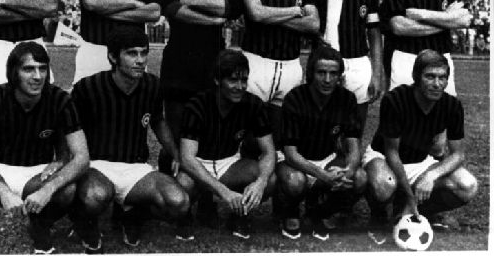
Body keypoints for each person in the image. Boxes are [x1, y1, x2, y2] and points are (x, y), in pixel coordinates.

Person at [0, 42, 89, 255]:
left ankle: (40, 226)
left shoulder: (60, 100)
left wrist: (47, 190)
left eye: (42, 68)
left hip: (38, 172)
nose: (38, 76)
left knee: (67, 190)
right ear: (13, 72)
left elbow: (82, 157)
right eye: (29, 69)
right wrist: (3, 192)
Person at [69, 26, 189, 249]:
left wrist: (175, 154)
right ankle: (84, 221)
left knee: (178, 202)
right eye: (132, 53)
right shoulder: (88, 88)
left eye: (144, 53)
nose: (140, 60)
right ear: (113, 57)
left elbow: (157, 121)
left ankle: (131, 213)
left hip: (135, 167)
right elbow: (69, 129)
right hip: (97, 165)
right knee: (95, 196)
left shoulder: (152, 85)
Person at [156, 0, 243, 170]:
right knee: (177, 140)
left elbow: (232, 7)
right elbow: (172, 8)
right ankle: (169, 188)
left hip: (213, 64)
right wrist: (213, 20)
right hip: (179, 65)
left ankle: (203, 192)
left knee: (207, 138)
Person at [363, 50, 478, 244]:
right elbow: (392, 152)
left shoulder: (451, 105)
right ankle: (379, 216)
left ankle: (415, 211)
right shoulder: (395, 99)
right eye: (430, 77)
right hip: (384, 158)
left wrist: (431, 176)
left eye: (442, 78)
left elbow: (458, 155)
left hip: (420, 161)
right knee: (384, 185)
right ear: (416, 77)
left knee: (467, 186)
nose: (437, 84)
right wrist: (410, 195)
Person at [237, 0, 319, 153]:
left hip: (290, 65)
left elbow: (313, 24)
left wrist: (271, 16)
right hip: (257, 62)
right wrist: (295, 11)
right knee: (252, 137)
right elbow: (256, 14)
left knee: (281, 136)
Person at [176, 49, 276, 240]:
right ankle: (186, 214)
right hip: (199, 163)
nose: (240, 86)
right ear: (217, 80)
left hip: (229, 163)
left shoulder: (253, 104)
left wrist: (261, 182)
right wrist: (225, 193)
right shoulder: (198, 105)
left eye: (244, 80)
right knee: (183, 184)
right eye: (233, 80)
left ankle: (239, 214)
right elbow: (188, 158)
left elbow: (269, 151)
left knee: (270, 179)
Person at [276, 45, 366, 241]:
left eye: (333, 73)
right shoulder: (295, 98)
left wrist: (349, 171)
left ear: (340, 76)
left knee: (359, 178)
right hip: (294, 161)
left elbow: (354, 145)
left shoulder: (347, 99)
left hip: (326, 157)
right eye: (321, 72)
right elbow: (290, 153)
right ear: (311, 73)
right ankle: (290, 211)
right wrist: (323, 176)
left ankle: (320, 211)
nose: (327, 79)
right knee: (295, 181)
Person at [315, 0, 383, 137]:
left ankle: (352, 158)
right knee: (324, 129)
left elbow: (374, 34)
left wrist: (377, 74)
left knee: (355, 130)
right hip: (327, 65)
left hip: (359, 63)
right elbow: (310, 26)